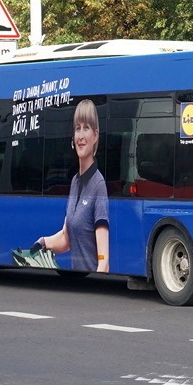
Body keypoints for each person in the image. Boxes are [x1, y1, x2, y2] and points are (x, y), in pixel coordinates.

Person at [37, 100, 109, 272]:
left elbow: (104, 260)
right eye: (78, 128)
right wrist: (42, 243)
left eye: (86, 128)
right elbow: (66, 238)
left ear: (95, 135)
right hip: (80, 284)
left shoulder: (98, 185)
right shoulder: (75, 182)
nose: (81, 136)